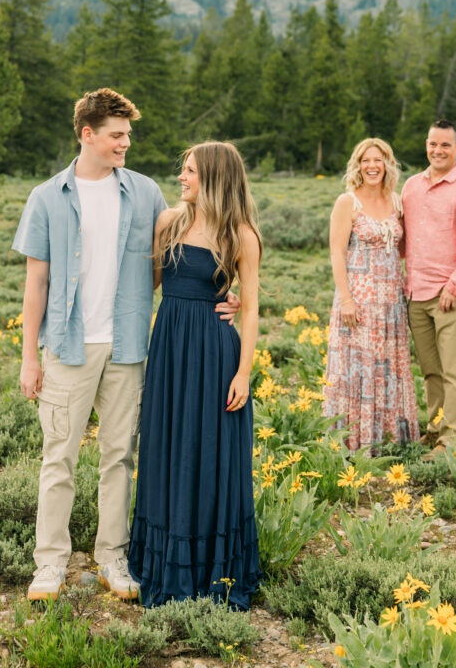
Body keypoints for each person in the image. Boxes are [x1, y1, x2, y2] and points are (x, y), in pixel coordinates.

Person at [13, 88, 238, 602]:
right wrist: (29, 358)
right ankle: (50, 565)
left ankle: (112, 558)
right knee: (58, 459)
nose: (125, 144)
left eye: (128, 135)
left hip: (129, 348)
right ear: (87, 134)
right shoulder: (46, 197)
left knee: (119, 458)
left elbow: (189, 250)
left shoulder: (145, 193)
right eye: (117, 135)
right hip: (68, 347)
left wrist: (231, 294)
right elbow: (35, 284)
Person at [128, 141, 262, 609]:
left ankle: (210, 571)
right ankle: (166, 563)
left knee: (208, 454)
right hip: (169, 350)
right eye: (183, 170)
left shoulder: (240, 235)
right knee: (168, 447)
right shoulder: (168, 222)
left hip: (215, 355)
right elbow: (147, 285)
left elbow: (251, 308)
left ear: (215, 178)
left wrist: (244, 372)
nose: (181, 178)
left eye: (190, 171)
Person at [324, 138, 419, 452]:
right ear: (358, 165)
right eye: (365, 160)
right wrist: (347, 300)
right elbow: (337, 253)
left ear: (387, 164)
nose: (372, 166)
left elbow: (402, 250)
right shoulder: (347, 202)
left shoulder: (397, 202)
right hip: (358, 301)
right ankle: (354, 442)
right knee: (359, 369)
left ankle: (389, 441)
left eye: (378, 160)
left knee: (388, 368)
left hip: (391, 304)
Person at [402, 120, 456, 457]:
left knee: (455, 372)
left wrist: (455, 286)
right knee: (431, 371)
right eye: (432, 144)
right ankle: (435, 429)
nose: (437, 151)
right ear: (426, 145)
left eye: (445, 145)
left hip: (449, 294)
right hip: (416, 293)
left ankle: (452, 441)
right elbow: (404, 238)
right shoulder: (412, 186)